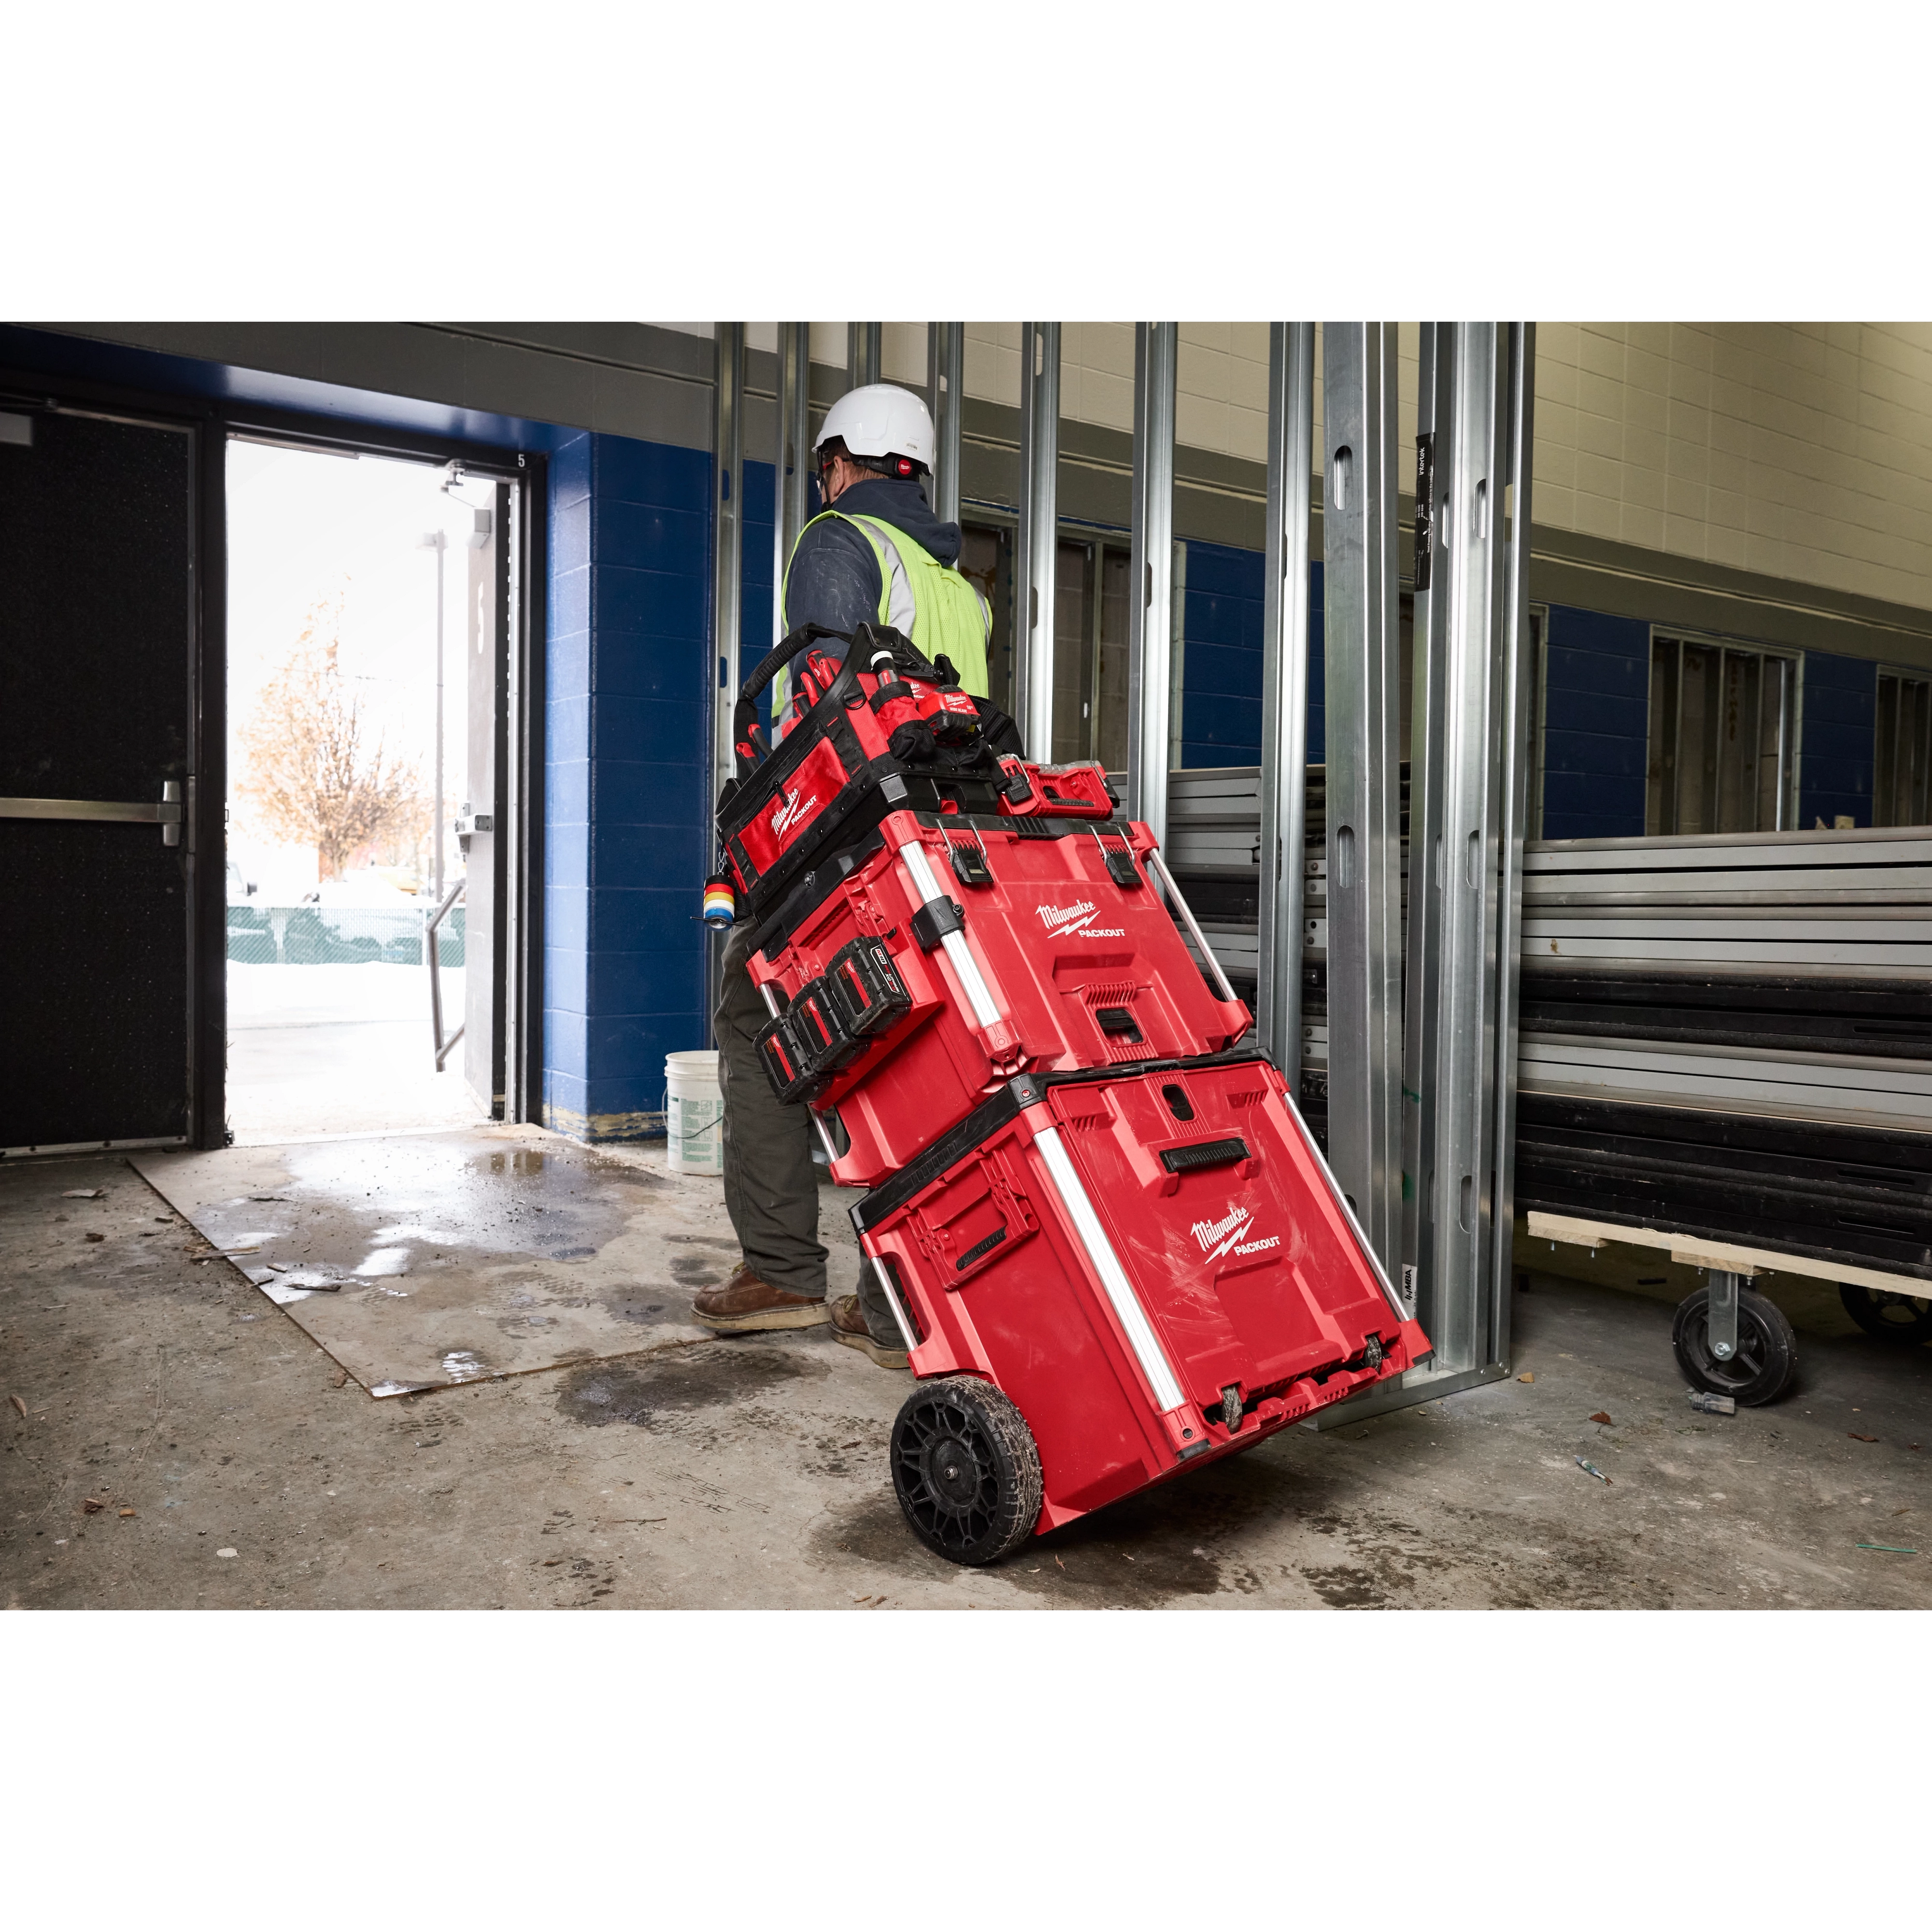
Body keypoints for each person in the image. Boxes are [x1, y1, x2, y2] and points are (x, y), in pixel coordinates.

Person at [693, 384, 993, 1368]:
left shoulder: (835, 540)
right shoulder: (960, 581)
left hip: (854, 837)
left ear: (842, 460)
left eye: (825, 464)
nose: (822, 478)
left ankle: (780, 1268)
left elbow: (832, 706)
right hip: (948, 839)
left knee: (750, 1014)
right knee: (913, 1051)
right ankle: (895, 1297)